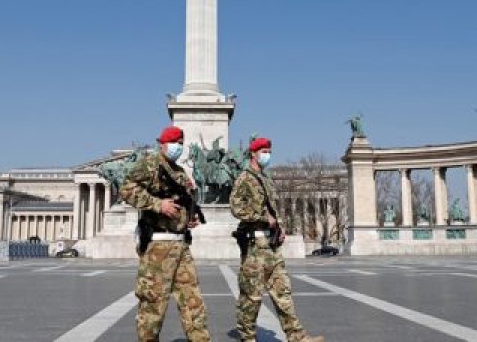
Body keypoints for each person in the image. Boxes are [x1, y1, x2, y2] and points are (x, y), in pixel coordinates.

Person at [120, 125, 212, 342]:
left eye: (181, 144)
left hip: (181, 246)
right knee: (153, 305)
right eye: (174, 143)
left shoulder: (179, 172)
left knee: (193, 302)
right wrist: (157, 204)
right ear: (162, 144)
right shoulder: (150, 164)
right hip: (158, 248)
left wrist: (189, 219)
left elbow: (183, 202)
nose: (178, 147)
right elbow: (127, 188)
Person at [230, 137, 324, 342]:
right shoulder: (244, 178)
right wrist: (264, 218)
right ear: (253, 153)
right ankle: (247, 337)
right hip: (254, 247)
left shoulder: (266, 179)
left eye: (269, 151)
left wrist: (278, 228)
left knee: (283, 293)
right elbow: (236, 208)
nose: (267, 155)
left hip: (271, 246)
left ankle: (297, 336)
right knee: (251, 296)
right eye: (264, 151)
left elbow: (271, 211)